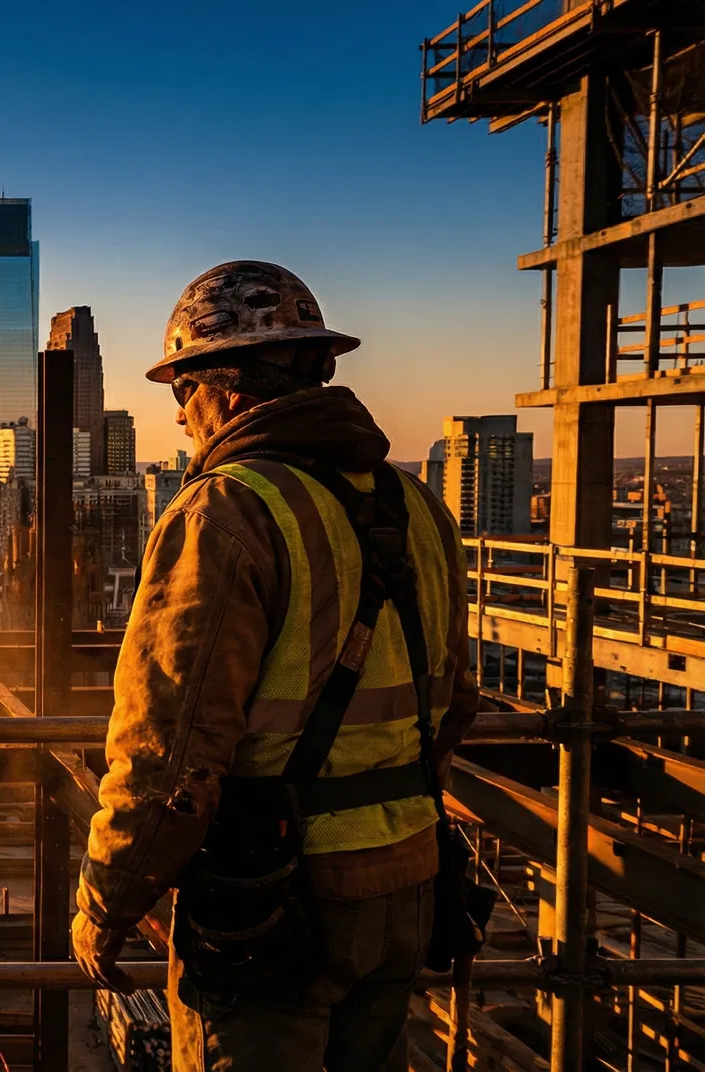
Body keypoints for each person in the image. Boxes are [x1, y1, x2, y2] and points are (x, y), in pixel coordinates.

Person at [70, 261, 479, 1071]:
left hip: (275, 903)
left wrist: (107, 903)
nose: (183, 419)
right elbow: (455, 702)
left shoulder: (227, 512)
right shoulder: (417, 507)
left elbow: (171, 747)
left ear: (222, 386)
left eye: (181, 392)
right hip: (408, 882)